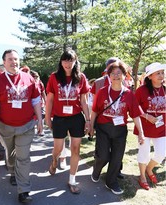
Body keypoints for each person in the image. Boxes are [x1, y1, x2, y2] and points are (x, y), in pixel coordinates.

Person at [0, 49, 43, 203]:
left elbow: (36, 101)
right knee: (11, 155)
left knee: (23, 157)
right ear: (4, 62)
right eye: (10, 59)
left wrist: (40, 120)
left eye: (16, 59)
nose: (14, 62)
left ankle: (23, 190)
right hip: (5, 126)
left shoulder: (29, 78)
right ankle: (12, 170)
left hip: (26, 125)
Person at [89, 61, 145, 195]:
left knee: (116, 157)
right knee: (103, 156)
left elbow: (136, 115)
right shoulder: (102, 92)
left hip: (120, 130)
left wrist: (141, 133)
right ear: (109, 76)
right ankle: (97, 169)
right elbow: (95, 110)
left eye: (119, 73)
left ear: (124, 76)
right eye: (113, 73)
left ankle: (111, 181)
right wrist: (90, 125)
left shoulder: (129, 94)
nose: (116, 76)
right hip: (103, 128)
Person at [45, 48, 91, 194]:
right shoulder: (54, 77)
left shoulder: (81, 77)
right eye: (65, 60)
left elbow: (83, 101)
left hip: (76, 117)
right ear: (61, 61)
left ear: (75, 61)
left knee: (75, 148)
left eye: (70, 60)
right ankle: (54, 161)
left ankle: (72, 179)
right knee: (58, 148)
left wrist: (88, 120)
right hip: (59, 118)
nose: (67, 63)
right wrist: (47, 117)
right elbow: (50, 99)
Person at [90, 57, 125, 179]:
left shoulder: (123, 82)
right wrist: (92, 122)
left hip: (118, 122)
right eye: (111, 70)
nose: (115, 75)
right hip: (102, 119)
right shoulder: (99, 82)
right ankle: (98, 165)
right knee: (102, 149)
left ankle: (117, 170)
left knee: (117, 150)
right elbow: (93, 103)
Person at [134, 62, 166, 190]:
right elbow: (134, 107)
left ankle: (149, 169)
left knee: (161, 153)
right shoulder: (141, 90)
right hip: (144, 128)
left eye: (162, 72)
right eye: (157, 73)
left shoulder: (165, 89)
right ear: (150, 76)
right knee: (144, 153)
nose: (161, 75)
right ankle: (142, 176)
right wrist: (147, 116)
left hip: (161, 128)